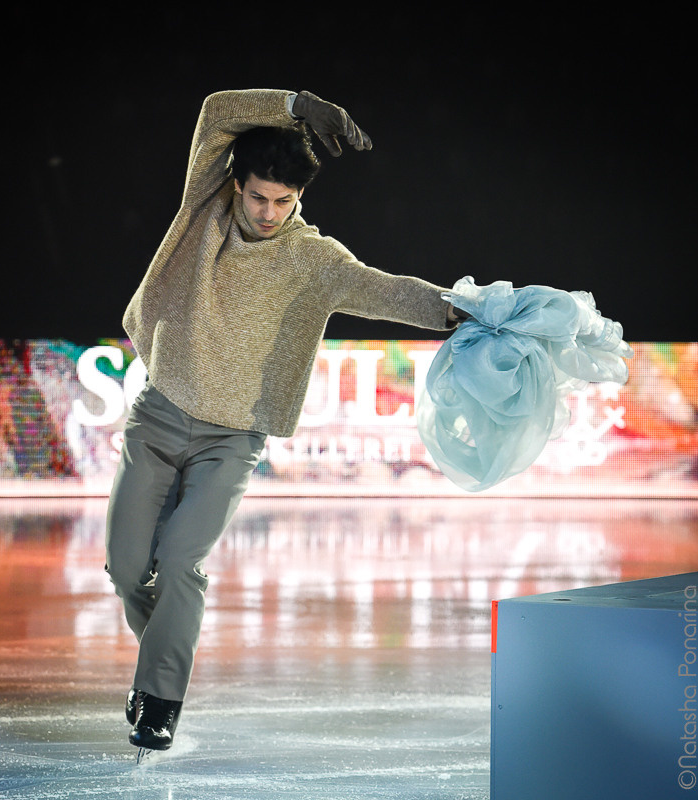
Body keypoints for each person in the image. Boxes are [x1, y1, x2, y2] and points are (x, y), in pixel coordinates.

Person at [105, 88, 466, 753]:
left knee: (181, 560)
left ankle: (160, 702)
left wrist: (458, 310)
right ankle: (156, 662)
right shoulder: (203, 208)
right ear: (235, 184)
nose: (271, 213)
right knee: (127, 571)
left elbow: (386, 290)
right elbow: (216, 111)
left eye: (286, 202)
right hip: (157, 420)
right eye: (260, 197)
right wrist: (298, 106)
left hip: (231, 441)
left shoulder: (312, 258)